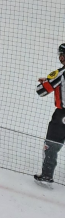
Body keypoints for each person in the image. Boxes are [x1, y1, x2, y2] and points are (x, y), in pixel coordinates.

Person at [35, 44, 65, 184]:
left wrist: (46, 82)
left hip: (62, 116)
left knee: (51, 144)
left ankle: (47, 175)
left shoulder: (61, 73)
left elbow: (41, 91)